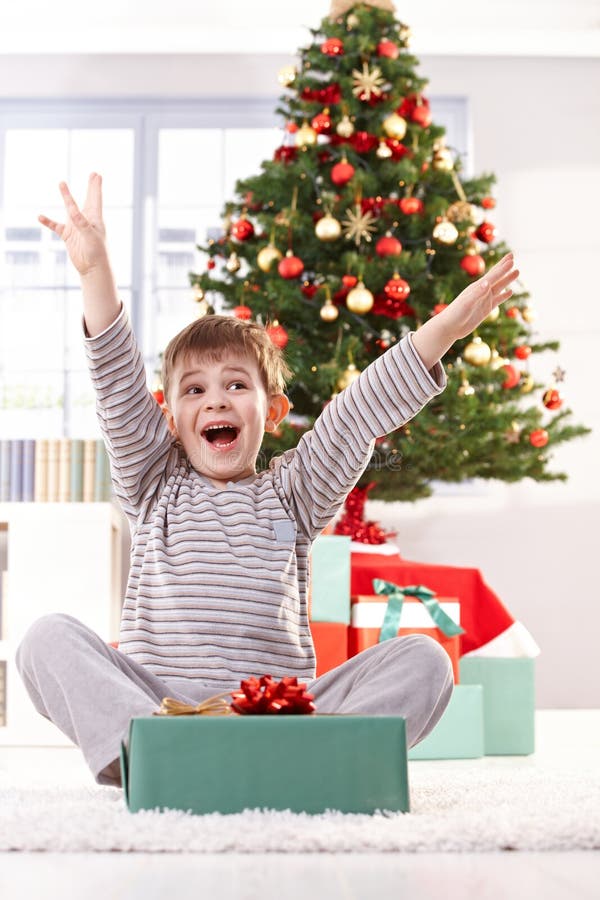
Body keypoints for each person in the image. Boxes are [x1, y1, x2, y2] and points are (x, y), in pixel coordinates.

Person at [17, 173, 519, 787]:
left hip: (279, 716)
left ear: (273, 412)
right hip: (161, 714)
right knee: (44, 640)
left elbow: (356, 413)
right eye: (194, 391)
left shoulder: (293, 493)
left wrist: (444, 330)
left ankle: (312, 760)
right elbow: (117, 383)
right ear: (169, 418)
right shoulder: (152, 484)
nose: (215, 401)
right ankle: (152, 755)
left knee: (426, 659)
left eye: (236, 385)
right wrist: (95, 272)